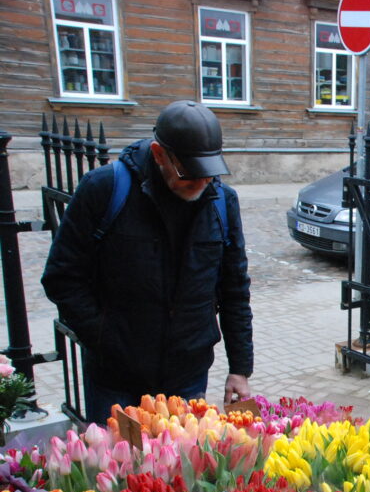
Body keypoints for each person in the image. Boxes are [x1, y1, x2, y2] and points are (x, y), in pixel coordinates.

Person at [42, 100, 253, 422]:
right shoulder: (104, 189)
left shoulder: (222, 203)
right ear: (158, 154)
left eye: (208, 174)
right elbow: (62, 276)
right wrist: (103, 337)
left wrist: (240, 368)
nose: (200, 183)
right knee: (122, 469)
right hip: (117, 378)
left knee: (183, 468)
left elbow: (234, 288)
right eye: (188, 173)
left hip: (188, 374)